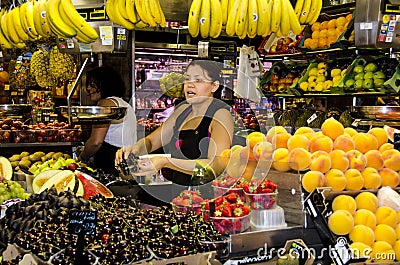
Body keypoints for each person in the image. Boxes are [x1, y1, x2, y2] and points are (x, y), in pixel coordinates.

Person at [115, 60, 234, 186]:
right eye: (187, 79)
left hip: (205, 197)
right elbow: (151, 142)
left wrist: (166, 161)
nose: (190, 85)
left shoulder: (221, 115)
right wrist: (134, 151)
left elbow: (215, 166)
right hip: (179, 195)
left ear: (214, 86)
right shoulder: (183, 111)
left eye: (198, 80)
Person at [78, 66, 137, 175]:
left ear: (104, 84)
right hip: (127, 160)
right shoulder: (124, 104)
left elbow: (96, 142)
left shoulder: (106, 103)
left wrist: (82, 157)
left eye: (92, 84)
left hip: (111, 162)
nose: (88, 89)